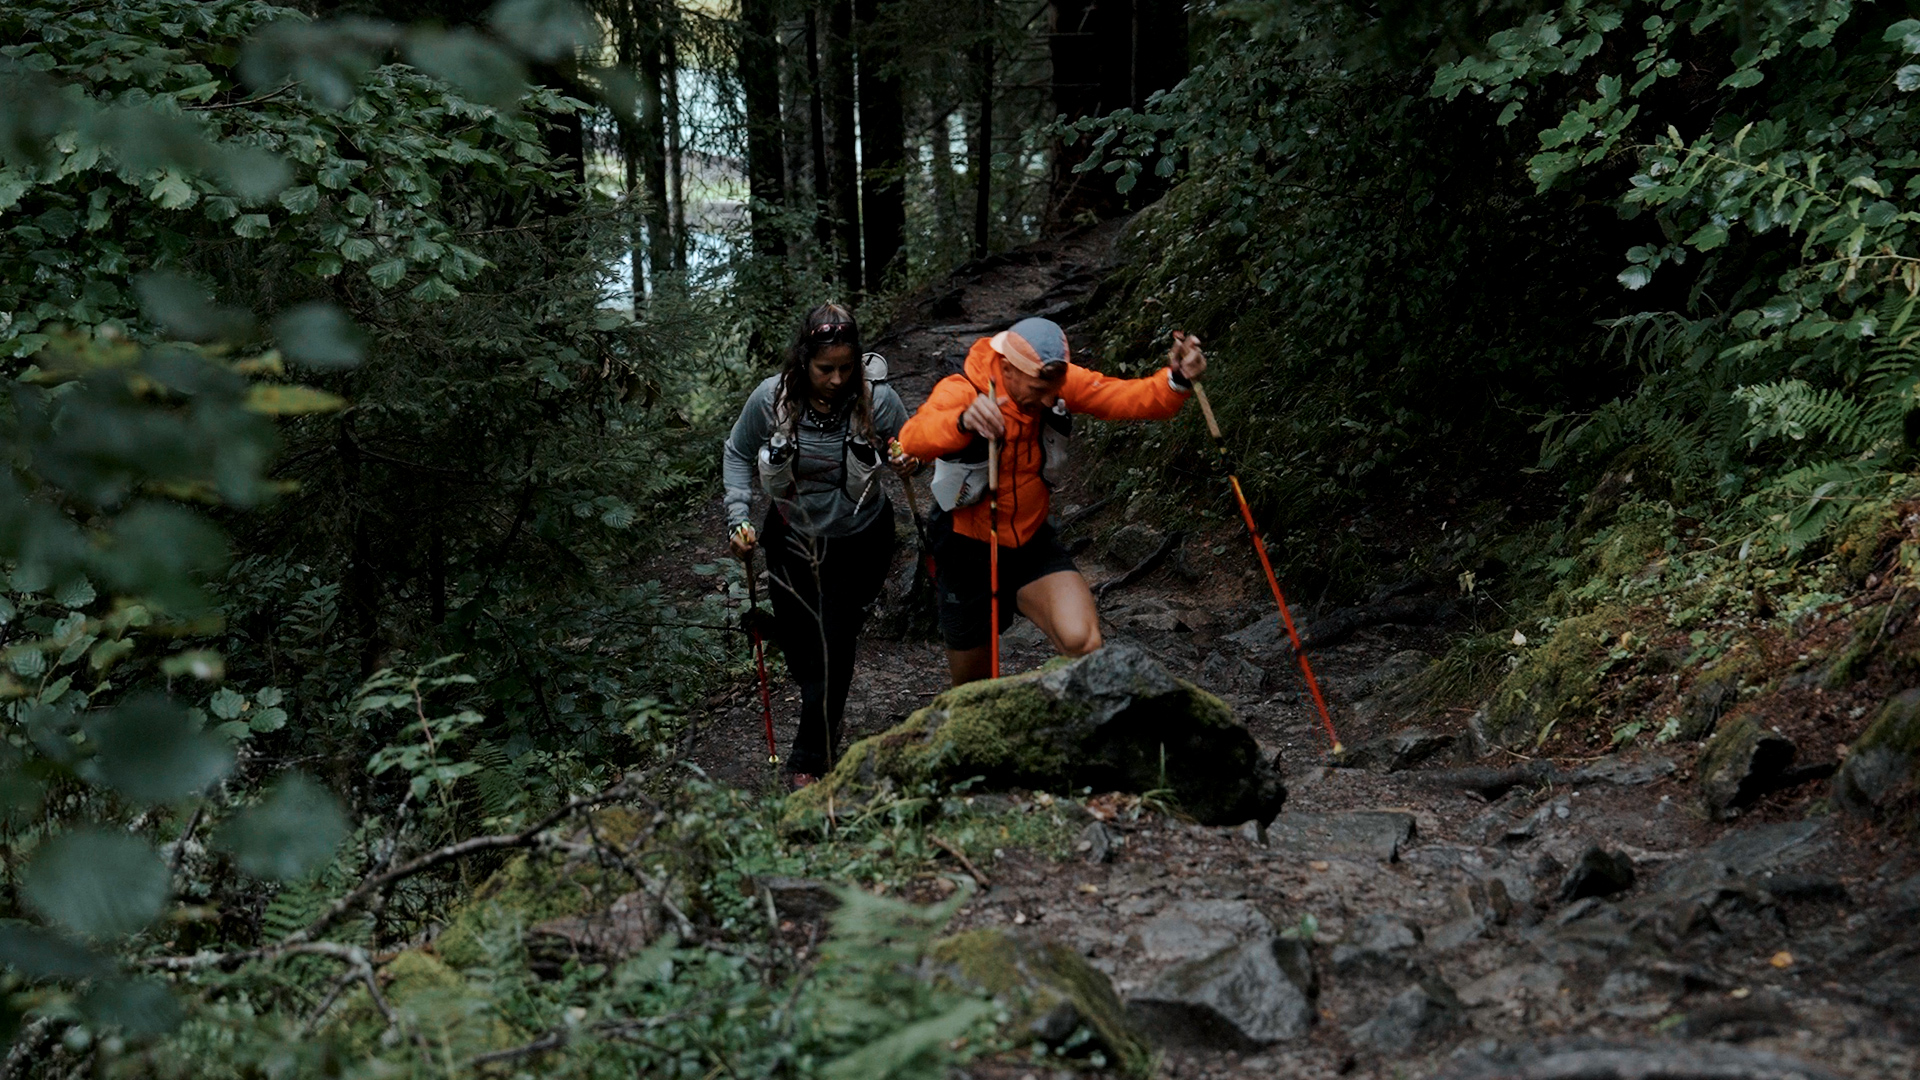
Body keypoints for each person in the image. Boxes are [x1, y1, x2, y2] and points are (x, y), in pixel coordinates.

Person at [896, 316, 1207, 685]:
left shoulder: (1055, 383)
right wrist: (962, 421)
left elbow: (1123, 397)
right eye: (1038, 387)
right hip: (966, 546)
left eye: (1055, 388)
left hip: (1030, 542)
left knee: (1084, 641)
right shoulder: (963, 389)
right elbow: (912, 438)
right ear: (1008, 369)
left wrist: (1177, 380)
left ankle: (1081, 726)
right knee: (973, 687)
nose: (1048, 399)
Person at [723, 303, 909, 787]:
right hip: (791, 535)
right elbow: (738, 451)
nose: (836, 377)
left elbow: (909, 448)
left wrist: (910, 459)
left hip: (861, 538)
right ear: (803, 359)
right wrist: (737, 519)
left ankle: (809, 759)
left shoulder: (878, 400)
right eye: (825, 368)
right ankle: (825, 712)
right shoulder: (771, 399)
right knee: (803, 645)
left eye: (847, 367)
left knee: (833, 641)